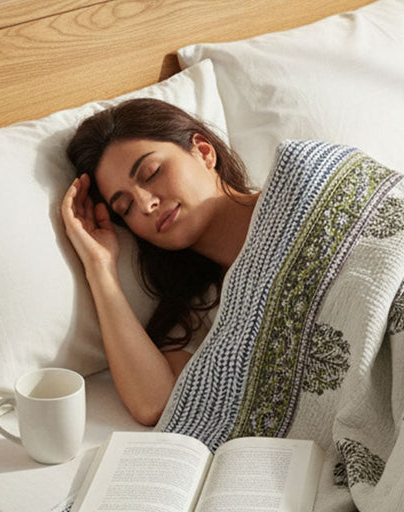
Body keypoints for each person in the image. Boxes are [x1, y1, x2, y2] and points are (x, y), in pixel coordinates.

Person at [61, 98, 258, 426]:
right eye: (124, 207)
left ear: (204, 151)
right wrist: (100, 267)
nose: (145, 203)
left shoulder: (300, 186)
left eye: (151, 173)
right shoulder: (202, 310)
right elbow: (154, 403)